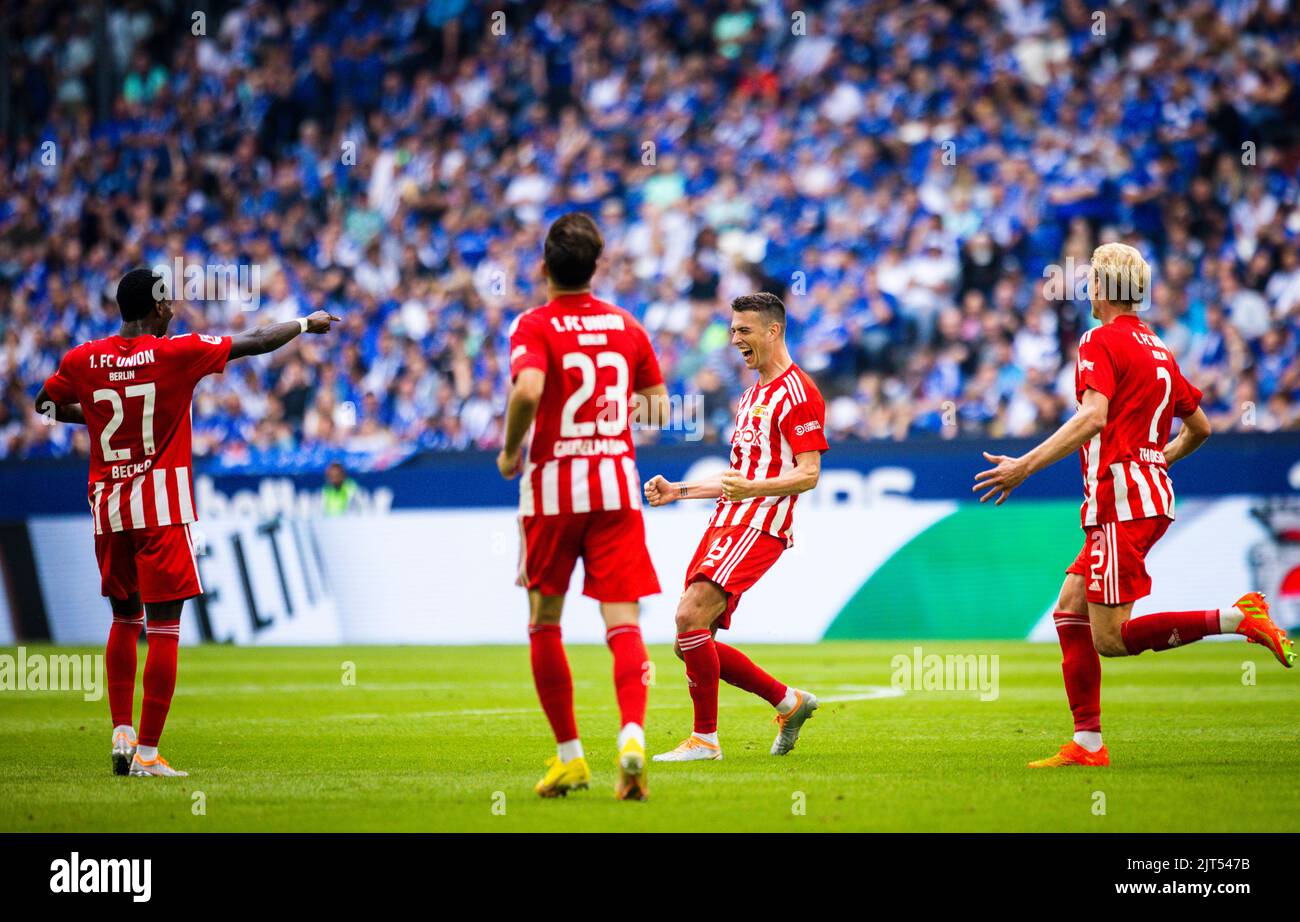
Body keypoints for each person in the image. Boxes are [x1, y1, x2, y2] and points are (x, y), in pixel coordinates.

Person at [973, 243, 1294, 768]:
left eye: (1093, 281)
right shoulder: (1159, 349)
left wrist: (1023, 466)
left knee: (1111, 640)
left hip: (1120, 502)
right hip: (1141, 496)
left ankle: (1238, 618)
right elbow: (1201, 426)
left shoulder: (1099, 340)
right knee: (1069, 607)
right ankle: (1088, 744)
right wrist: (1157, 459)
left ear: (1103, 288)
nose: (1087, 290)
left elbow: (1092, 417)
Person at [34, 268, 339, 777]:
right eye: (168, 303)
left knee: (123, 621)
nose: (173, 309)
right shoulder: (176, 352)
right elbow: (257, 340)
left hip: (109, 508)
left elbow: (45, 404)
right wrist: (306, 323)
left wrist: (93, 414)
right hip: (161, 509)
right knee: (165, 629)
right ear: (154, 308)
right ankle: (148, 755)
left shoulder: (81, 359)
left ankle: (121, 732)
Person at [497, 213, 669, 801]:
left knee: (545, 620)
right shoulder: (626, 325)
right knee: (623, 622)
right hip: (616, 487)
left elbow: (527, 390)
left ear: (543, 268)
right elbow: (657, 410)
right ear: (597, 268)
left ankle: (571, 757)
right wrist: (609, 419)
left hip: (553, 490)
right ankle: (631, 734)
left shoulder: (533, 324)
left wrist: (510, 448)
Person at [643, 292, 827, 762]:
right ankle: (788, 701)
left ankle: (705, 740)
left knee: (689, 619)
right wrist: (678, 491)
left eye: (744, 330)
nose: (735, 340)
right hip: (726, 519)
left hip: (759, 524)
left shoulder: (798, 392)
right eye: (732, 330)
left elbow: (808, 474)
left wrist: (753, 489)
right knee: (690, 642)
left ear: (773, 331)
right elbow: (735, 479)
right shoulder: (750, 397)